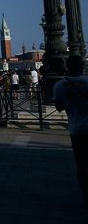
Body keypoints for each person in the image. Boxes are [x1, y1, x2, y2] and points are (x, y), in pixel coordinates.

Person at [54, 55, 88, 210]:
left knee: (81, 164)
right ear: (82, 66)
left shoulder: (60, 85)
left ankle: (85, 195)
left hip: (77, 129)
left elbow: (59, 107)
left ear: (67, 66)